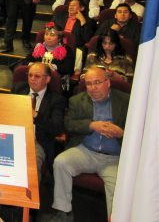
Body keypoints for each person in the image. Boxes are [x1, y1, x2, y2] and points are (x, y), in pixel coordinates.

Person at [52, 66, 129, 220]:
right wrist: (91, 125)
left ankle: (115, 218)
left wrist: (122, 133)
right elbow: (69, 125)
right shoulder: (76, 101)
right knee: (60, 162)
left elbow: (141, 130)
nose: (93, 88)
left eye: (97, 82)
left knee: (119, 187)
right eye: (88, 84)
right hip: (86, 151)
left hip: (114, 158)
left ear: (108, 82)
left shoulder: (126, 101)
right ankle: (63, 211)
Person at [13, 62, 66, 176]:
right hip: (14, 137)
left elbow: (57, 128)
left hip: (37, 142)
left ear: (47, 79)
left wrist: (36, 115)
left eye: (37, 76)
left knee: (30, 171)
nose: (32, 79)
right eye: (30, 75)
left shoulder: (56, 99)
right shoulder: (18, 89)